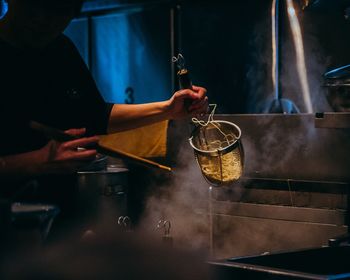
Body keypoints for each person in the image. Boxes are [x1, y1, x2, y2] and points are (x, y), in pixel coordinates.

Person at [0, 0, 208, 237]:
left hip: (58, 224)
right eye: (33, 7)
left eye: (59, 11)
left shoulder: (61, 49)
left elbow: (95, 115)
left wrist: (167, 110)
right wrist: (34, 161)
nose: (43, 19)